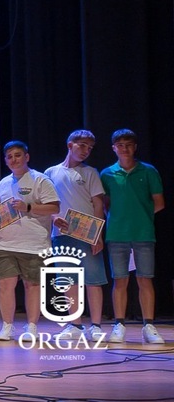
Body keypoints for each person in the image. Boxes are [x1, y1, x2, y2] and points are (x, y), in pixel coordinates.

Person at [100, 129, 165, 344]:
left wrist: (140, 216)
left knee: (145, 279)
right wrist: (120, 218)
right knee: (120, 280)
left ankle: (149, 325)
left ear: (135, 147)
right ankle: (119, 324)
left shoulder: (148, 171)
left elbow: (159, 202)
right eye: (120, 145)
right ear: (113, 148)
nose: (125, 149)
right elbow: (105, 205)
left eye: (128, 144)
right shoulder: (107, 174)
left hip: (143, 234)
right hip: (117, 235)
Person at [0, 141, 59, 341]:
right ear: (5, 160)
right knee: (5, 284)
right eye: (9, 157)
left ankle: (31, 327)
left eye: (17, 155)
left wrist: (28, 207)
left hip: (34, 243)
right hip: (4, 243)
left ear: (27, 157)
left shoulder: (41, 180)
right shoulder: (2, 184)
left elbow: (54, 207)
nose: (13, 159)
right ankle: (7, 326)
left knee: (33, 285)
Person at [45, 130, 107, 342]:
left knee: (93, 280)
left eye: (90, 148)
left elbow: (98, 204)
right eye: (82, 145)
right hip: (61, 234)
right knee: (68, 280)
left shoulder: (90, 173)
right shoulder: (51, 172)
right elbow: (47, 203)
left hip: (87, 234)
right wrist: (54, 217)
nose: (86, 151)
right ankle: (75, 324)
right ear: (70, 145)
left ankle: (96, 326)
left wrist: (97, 235)